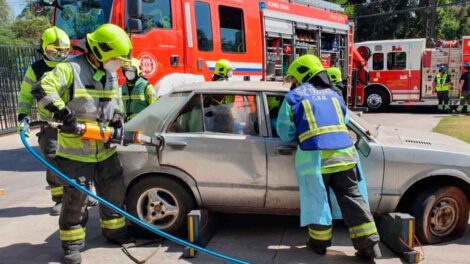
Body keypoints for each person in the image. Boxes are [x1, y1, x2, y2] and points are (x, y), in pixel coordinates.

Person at [31, 23, 133, 264]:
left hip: (105, 149)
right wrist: (64, 115)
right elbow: (42, 88)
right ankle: (72, 245)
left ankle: (115, 231)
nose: (117, 63)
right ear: (100, 51)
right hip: (76, 153)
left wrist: (118, 116)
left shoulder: (109, 74)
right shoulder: (70, 69)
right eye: (115, 58)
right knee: (76, 201)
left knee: (114, 193)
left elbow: (115, 100)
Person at [276, 54, 381, 259]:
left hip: (315, 161)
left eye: (294, 78)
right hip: (345, 157)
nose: (293, 82)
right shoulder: (334, 95)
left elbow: (285, 131)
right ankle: (369, 245)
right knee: (353, 199)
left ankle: (319, 244)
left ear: (300, 75)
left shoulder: (294, 97)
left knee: (318, 201)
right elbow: (344, 120)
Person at [17, 26, 70, 216]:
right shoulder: (36, 69)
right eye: (53, 52)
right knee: (53, 159)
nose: (58, 56)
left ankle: (80, 195)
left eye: (63, 52)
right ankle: (60, 198)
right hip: (50, 123)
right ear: (44, 49)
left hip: (72, 121)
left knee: (78, 160)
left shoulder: (71, 66)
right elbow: (25, 96)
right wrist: (23, 117)